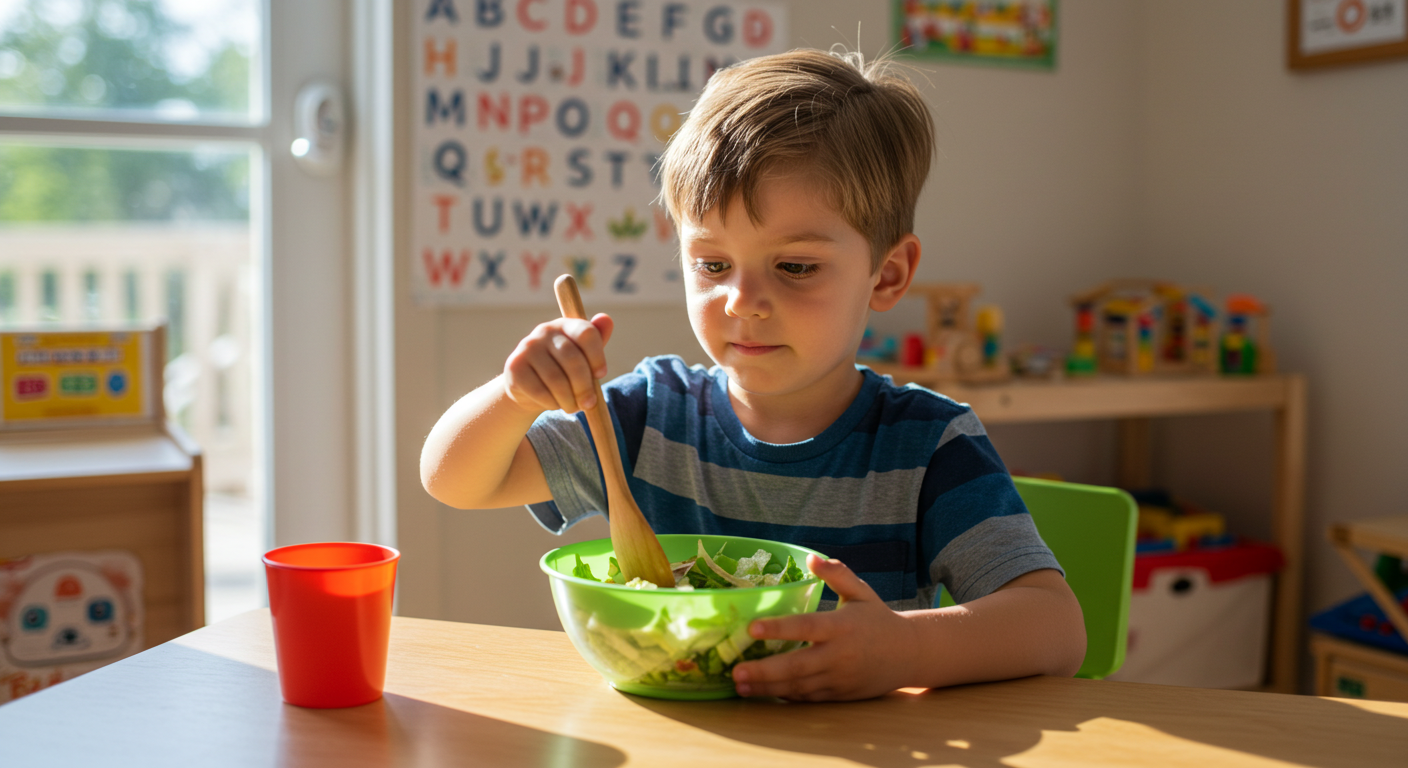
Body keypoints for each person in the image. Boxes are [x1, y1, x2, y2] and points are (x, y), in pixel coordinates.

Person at [421, 48, 1086, 701]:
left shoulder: (928, 445)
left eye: (794, 267)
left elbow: (1056, 629)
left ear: (887, 275)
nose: (741, 301)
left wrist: (906, 649)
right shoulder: (646, 418)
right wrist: (514, 397)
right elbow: (455, 480)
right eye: (712, 265)